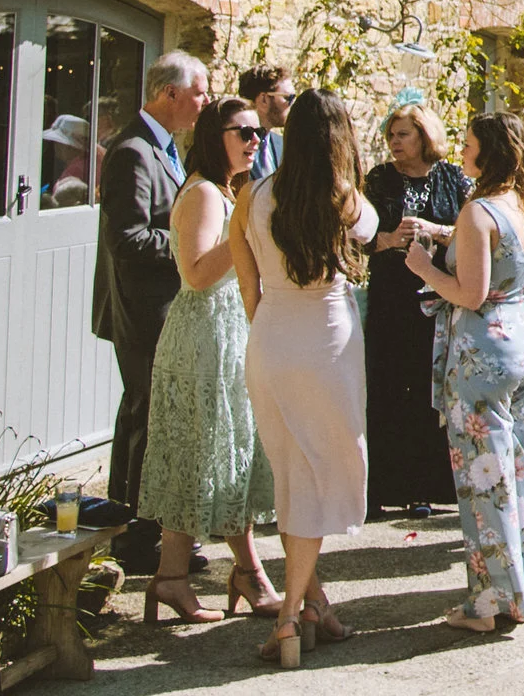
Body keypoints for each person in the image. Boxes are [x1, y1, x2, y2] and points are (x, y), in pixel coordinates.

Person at [233, 90, 377, 667]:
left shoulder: (252, 194)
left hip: (271, 336)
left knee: (292, 473)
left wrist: (270, 332)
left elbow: (248, 286)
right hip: (328, 339)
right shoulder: (345, 199)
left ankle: (314, 605)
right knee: (318, 476)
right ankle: (292, 614)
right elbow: (369, 234)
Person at [405, 113, 524, 632]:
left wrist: (426, 269)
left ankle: (490, 604)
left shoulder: (478, 211)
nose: (461, 154)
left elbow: (469, 292)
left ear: (486, 153)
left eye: (467, 145)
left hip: (482, 352)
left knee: (483, 477)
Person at [136, 96, 279, 623]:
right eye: (242, 132)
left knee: (221, 455)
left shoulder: (228, 192)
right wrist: (241, 224)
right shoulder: (203, 194)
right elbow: (195, 274)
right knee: (206, 454)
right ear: (215, 136)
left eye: (257, 133)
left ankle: (180, 577)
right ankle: (230, 574)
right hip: (202, 340)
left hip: (227, 333)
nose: (253, 141)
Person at [93, 50, 210, 574]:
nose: (203, 102)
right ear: (170, 94)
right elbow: (126, 239)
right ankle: (136, 540)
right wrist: (191, 242)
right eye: (199, 92)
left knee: (148, 418)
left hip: (163, 308)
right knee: (147, 418)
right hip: (143, 312)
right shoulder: (133, 152)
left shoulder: (166, 148)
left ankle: (144, 528)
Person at [361, 102, 465, 518]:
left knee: (431, 390)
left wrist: (434, 231)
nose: (394, 142)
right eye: (391, 135)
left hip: (439, 296)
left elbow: (473, 231)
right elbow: (357, 235)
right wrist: (389, 239)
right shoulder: (380, 180)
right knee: (387, 387)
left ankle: (427, 487)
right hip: (391, 296)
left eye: (403, 134)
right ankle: (385, 487)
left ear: (424, 135)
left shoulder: (451, 177)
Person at [241, 65, 295, 182]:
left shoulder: (283, 145)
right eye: (288, 97)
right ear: (263, 100)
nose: (292, 104)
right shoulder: (235, 145)